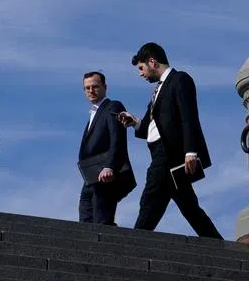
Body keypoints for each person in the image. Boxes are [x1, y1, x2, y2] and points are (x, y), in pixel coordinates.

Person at [117, 43, 222, 238]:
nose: (141, 74)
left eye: (141, 68)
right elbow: (151, 124)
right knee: (189, 207)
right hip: (162, 153)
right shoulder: (158, 89)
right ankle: (217, 244)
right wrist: (134, 122)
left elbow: (188, 116)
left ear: (152, 62)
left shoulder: (179, 79)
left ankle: (133, 246)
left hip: (168, 155)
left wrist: (191, 151)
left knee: (149, 200)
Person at [76, 71, 135, 225]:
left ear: (104, 87)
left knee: (102, 221)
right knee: (85, 220)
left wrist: (110, 167)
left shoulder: (113, 106)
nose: (91, 91)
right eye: (87, 88)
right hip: (90, 177)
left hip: (106, 175)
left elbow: (118, 139)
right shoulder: (93, 113)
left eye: (95, 86)